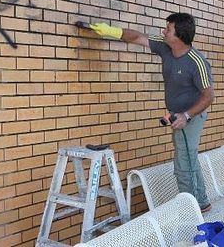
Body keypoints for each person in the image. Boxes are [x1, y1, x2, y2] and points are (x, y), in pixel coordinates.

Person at [84, 13, 215, 213]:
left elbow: (208, 96)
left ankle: (190, 211)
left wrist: (185, 116)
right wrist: (112, 31)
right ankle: (201, 202)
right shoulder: (165, 46)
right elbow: (137, 37)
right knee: (189, 159)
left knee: (182, 164)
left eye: (168, 29)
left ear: (179, 35)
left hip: (191, 116)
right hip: (177, 114)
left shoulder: (196, 62)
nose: (163, 31)